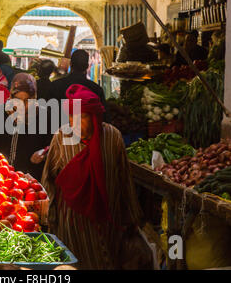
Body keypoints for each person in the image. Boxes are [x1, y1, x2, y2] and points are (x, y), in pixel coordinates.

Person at [41, 84, 151, 269]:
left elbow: (124, 179)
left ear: (94, 117)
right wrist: (49, 217)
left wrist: (131, 218)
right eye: (71, 117)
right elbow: (48, 179)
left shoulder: (112, 137)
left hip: (107, 221)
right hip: (73, 225)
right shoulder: (61, 137)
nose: (75, 123)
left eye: (82, 117)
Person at [0, 73, 53, 181]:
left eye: (27, 101)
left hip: (28, 180)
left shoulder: (44, 117)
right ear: (11, 97)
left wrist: (43, 153)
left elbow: (52, 146)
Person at [49, 49, 109, 122]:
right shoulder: (96, 89)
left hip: (59, 130)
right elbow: (103, 118)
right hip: (86, 132)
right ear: (87, 66)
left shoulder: (55, 85)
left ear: (70, 64)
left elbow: (49, 115)